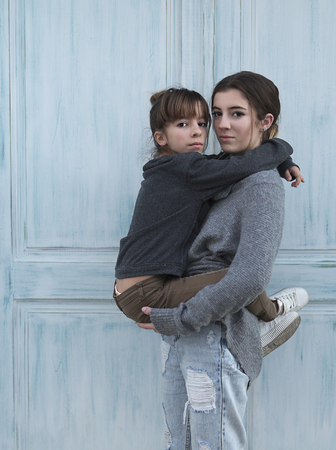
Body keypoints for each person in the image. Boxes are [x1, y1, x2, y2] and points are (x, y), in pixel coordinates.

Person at [137, 72, 308, 449]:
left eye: (237, 114)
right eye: (218, 113)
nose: (223, 125)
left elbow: (248, 278)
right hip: (182, 327)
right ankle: (263, 326)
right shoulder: (212, 170)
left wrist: (178, 318)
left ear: (264, 122)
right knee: (177, 442)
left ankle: (261, 327)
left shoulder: (262, 187)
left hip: (212, 332)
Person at [114, 87, 307, 353]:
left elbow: (232, 161)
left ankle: (263, 317)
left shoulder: (175, 168)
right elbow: (243, 164)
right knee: (238, 279)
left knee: (236, 279)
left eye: (203, 123)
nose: (197, 131)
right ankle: (270, 315)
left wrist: (282, 161)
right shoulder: (186, 171)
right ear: (160, 137)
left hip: (133, 290)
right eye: (183, 124)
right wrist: (281, 150)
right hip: (148, 295)